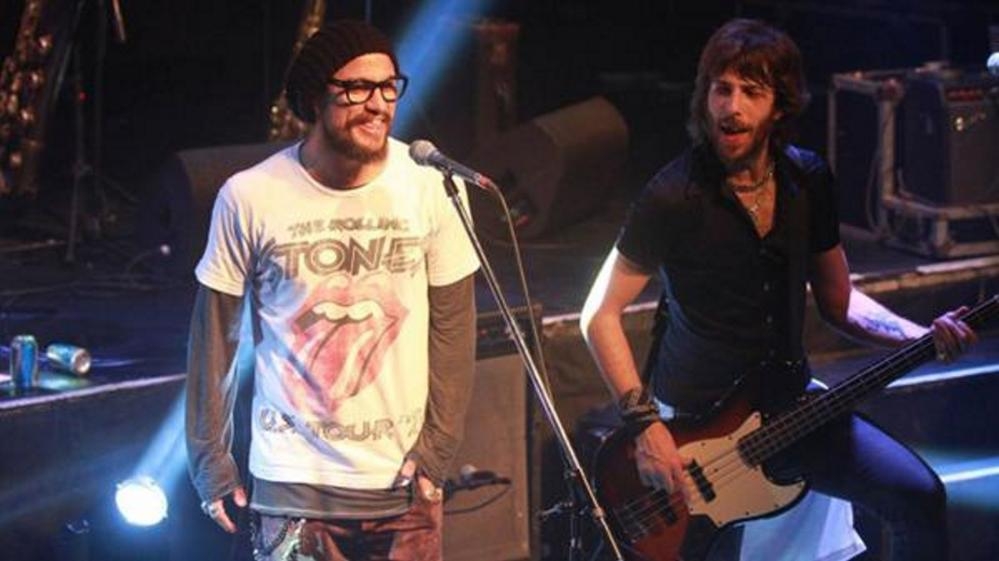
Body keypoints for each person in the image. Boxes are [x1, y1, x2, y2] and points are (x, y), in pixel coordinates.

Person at [580, 18, 978, 561]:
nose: (731, 108)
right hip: (696, 430)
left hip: (788, 411)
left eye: (751, 91)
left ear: (779, 105)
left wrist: (922, 336)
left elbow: (840, 303)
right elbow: (599, 314)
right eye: (722, 89)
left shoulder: (807, 181)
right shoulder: (672, 195)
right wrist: (645, 426)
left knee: (919, 497)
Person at [185, 19, 479, 561]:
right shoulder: (250, 196)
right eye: (357, 88)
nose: (378, 104)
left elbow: (455, 328)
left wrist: (438, 448)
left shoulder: (432, 185)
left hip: (404, 487)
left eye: (389, 87)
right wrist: (210, 461)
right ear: (315, 98)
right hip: (292, 486)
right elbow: (214, 340)